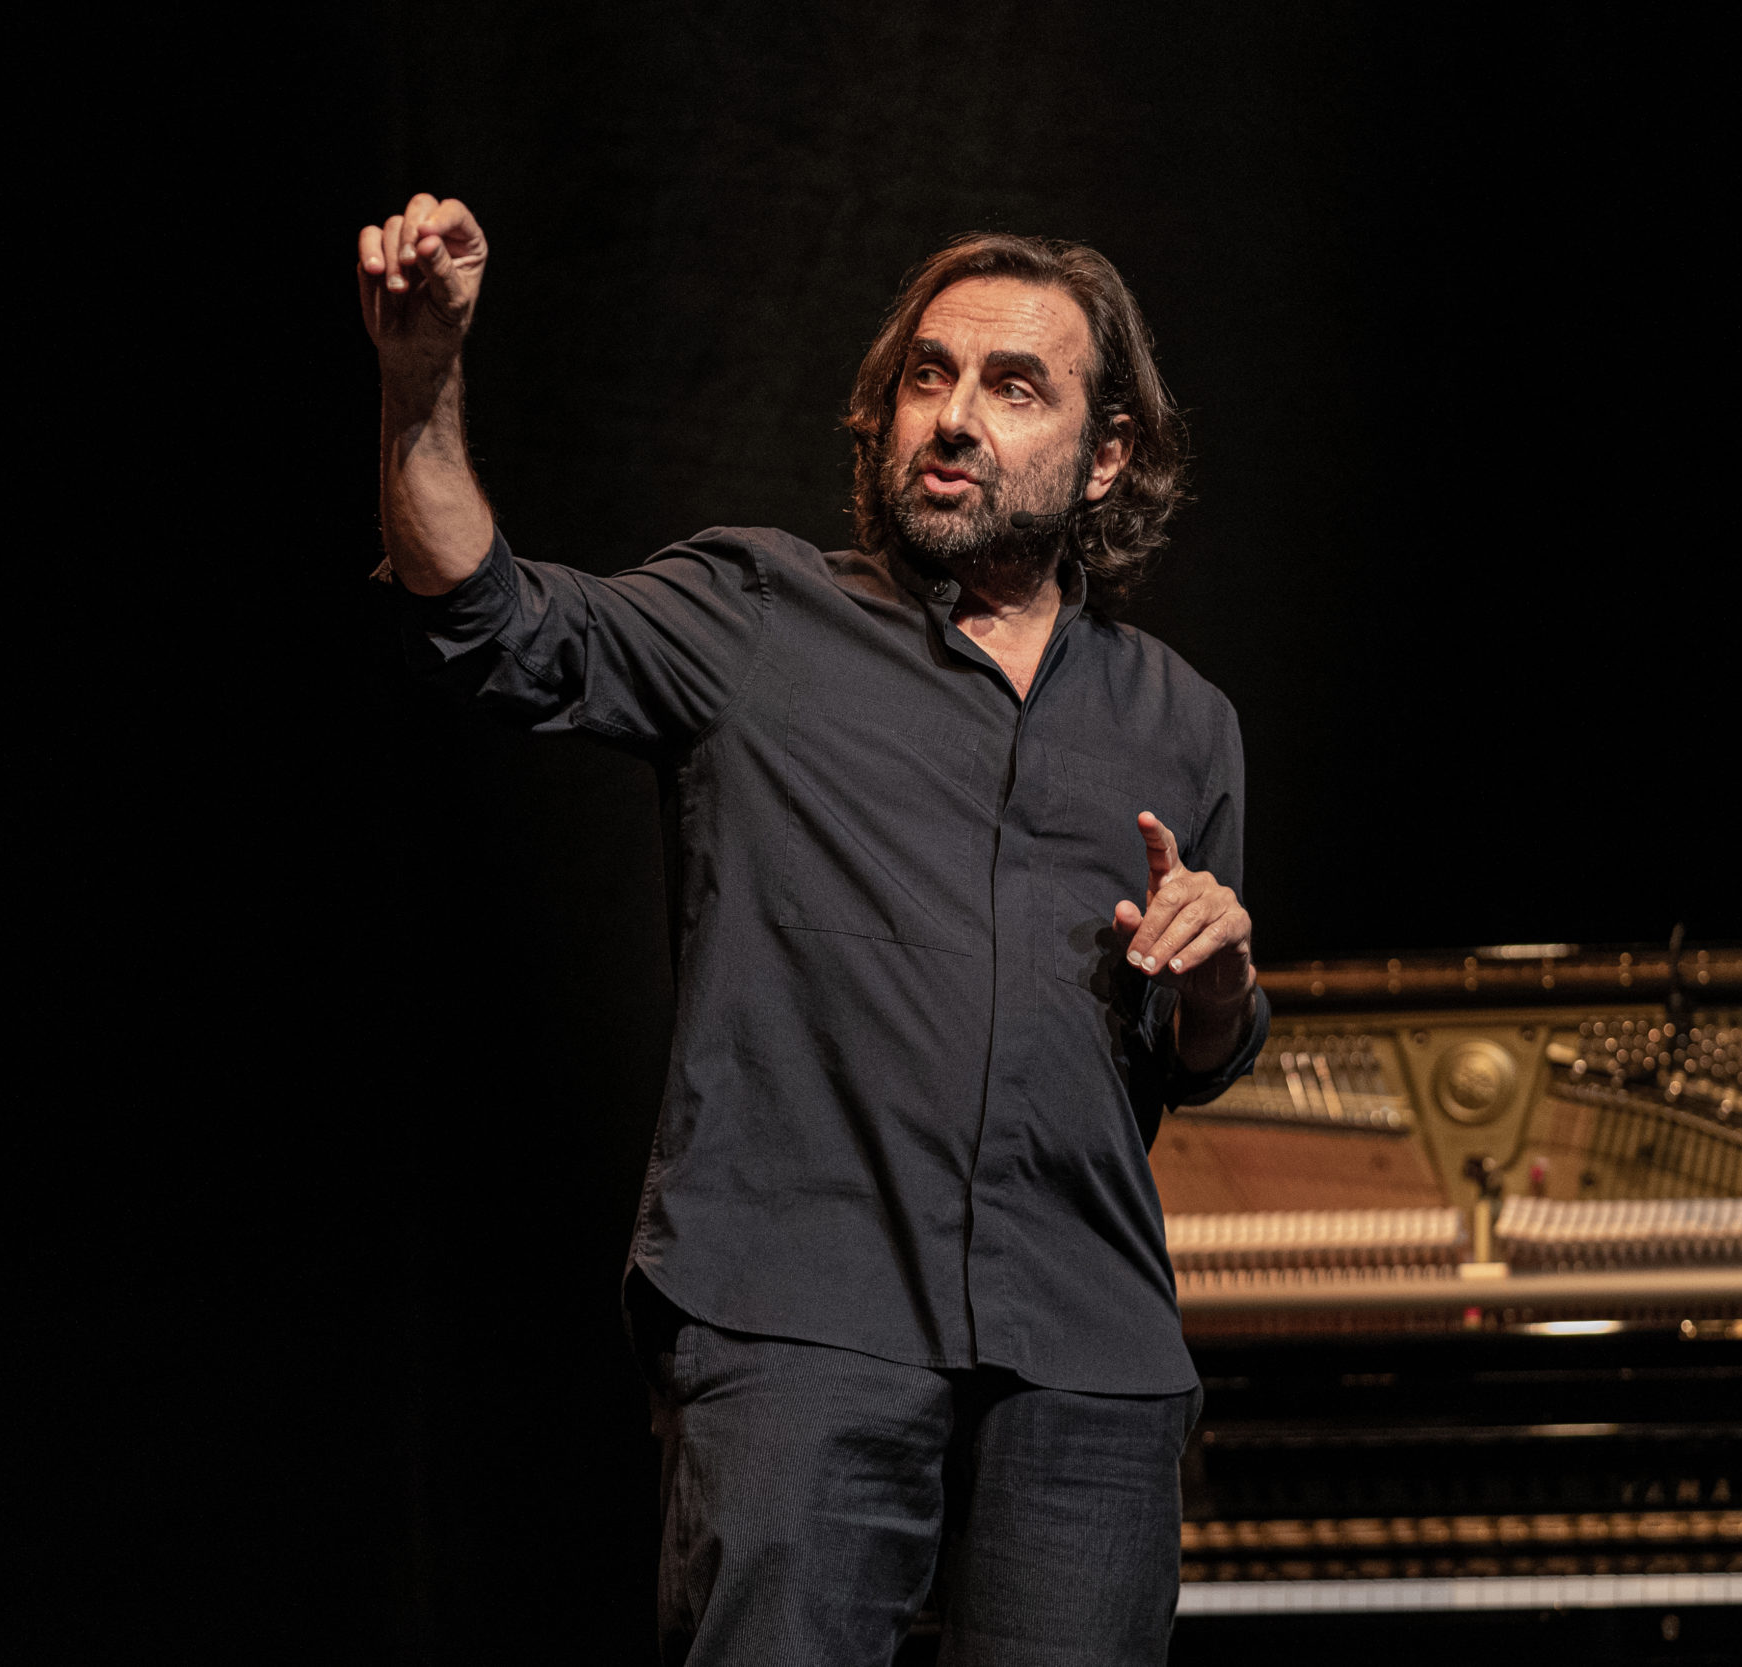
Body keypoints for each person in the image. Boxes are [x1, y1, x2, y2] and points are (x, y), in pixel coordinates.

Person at [358, 193, 1269, 1666]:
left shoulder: (1185, 724)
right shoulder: (759, 616)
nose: (954, 416)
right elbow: (493, 622)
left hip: (1086, 1362)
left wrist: (1219, 980)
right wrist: (420, 387)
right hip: (801, 1323)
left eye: (1011, 385)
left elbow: (1186, 1059)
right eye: (928, 375)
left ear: (1105, 458)